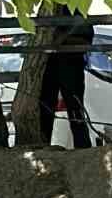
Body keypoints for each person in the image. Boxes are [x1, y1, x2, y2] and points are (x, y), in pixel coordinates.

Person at [38, 15, 95, 149]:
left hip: (70, 65)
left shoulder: (76, 12)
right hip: (54, 66)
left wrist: (60, 40)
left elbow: (85, 42)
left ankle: (83, 149)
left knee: (75, 111)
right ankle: (44, 147)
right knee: (46, 110)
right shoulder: (54, 10)